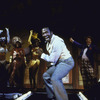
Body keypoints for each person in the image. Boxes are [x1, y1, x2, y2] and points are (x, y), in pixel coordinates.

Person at [36, 27, 74, 100]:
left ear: (51, 32)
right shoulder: (48, 43)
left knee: (55, 78)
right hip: (59, 63)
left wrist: (42, 55)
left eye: (46, 32)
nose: (44, 34)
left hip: (67, 62)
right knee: (46, 75)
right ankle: (52, 96)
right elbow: (53, 58)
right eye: (43, 33)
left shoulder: (57, 42)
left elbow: (53, 59)